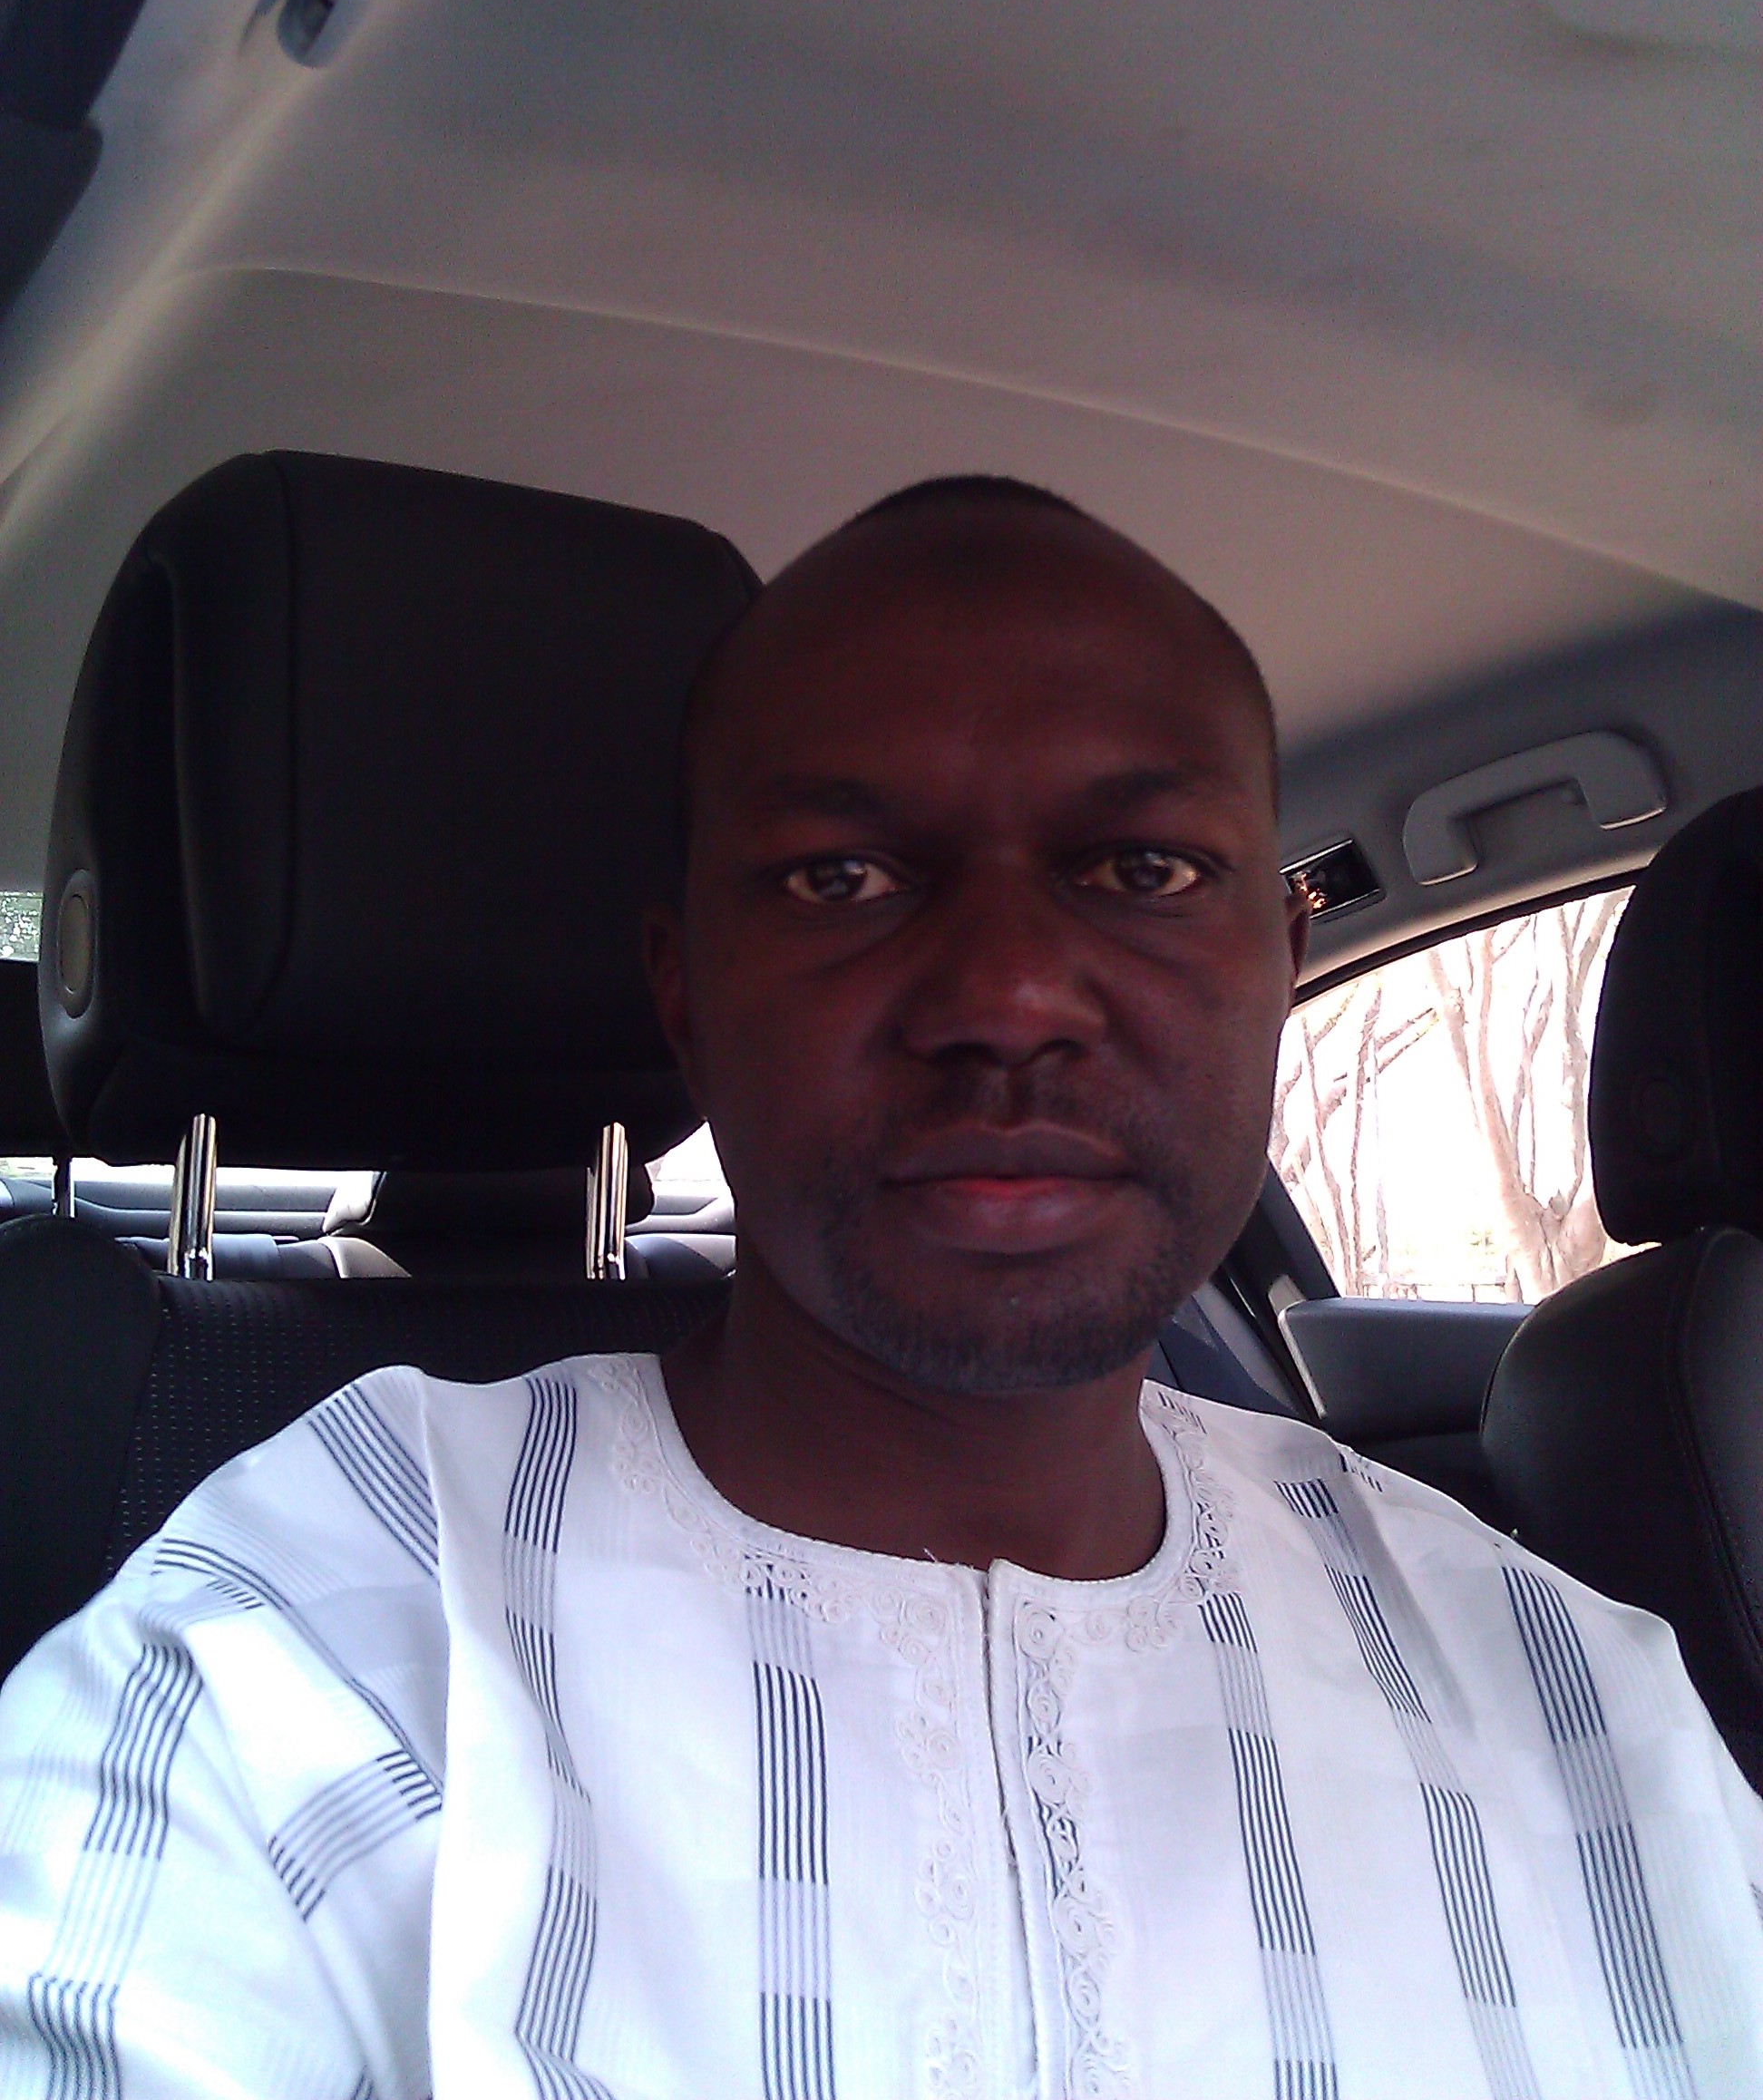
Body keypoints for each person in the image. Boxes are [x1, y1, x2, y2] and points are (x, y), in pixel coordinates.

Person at [1, 478, 1758, 2097]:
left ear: (1280, 965)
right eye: (840, 878)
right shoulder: (309, 1642)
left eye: (1144, 871)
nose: (1007, 993)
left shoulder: (1567, 1689)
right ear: (687, 994)